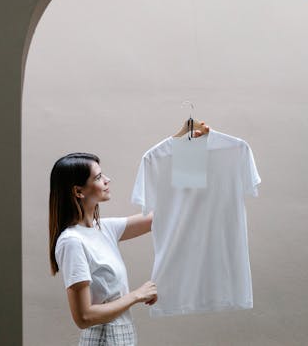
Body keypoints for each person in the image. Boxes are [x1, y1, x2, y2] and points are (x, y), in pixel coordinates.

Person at [49, 121, 209, 345]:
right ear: (78, 191)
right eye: (98, 177)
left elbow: (164, 215)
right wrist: (137, 295)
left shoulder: (103, 229)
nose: (107, 180)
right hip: (103, 338)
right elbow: (84, 317)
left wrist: (187, 147)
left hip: (121, 334)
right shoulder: (72, 242)